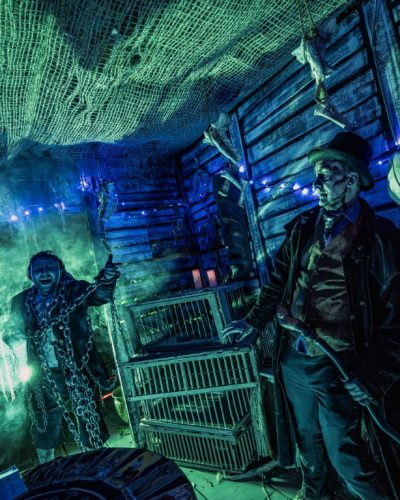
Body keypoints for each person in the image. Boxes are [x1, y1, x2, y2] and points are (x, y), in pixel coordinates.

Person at [223, 132, 400, 499]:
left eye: (327, 174)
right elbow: (277, 283)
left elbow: (397, 321)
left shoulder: (381, 239)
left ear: (352, 179)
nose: (316, 183)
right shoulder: (304, 227)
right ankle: (313, 493)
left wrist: (374, 377)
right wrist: (253, 323)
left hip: (340, 362)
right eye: (316, 174)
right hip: (295, 356)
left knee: (346, 453)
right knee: (306, 434)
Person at [5, 251, 120, 464]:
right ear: (31, 275)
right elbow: (13, 333)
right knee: (44, 420)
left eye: (50, 267)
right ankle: (46, 467)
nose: (44, 272)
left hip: (78, 368)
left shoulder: (75, 290)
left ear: (60, 271)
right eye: (38, 269)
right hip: (42, 372)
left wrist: (108, 278)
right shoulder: (20, 301)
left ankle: (97, 461)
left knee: (88, 414)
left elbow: (100, 295)